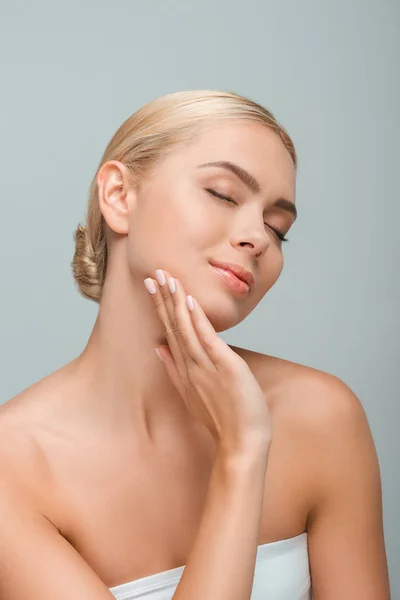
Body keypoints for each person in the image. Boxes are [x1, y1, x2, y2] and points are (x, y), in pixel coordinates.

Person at [0, 90, 390, 600]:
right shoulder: (14, 468)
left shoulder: (322, 418)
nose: (258, 238)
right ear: (119, 195)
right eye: (224, 194)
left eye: (279, 228)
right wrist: (242, 455)